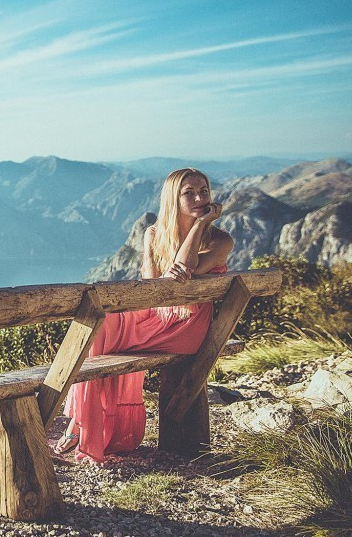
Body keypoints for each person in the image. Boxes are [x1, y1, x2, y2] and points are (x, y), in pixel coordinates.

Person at [53, 167, 233, 461]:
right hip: (156, 317)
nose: (200, 198)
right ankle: (82, 421)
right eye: (189, 193)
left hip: (186, 329)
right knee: (103, 324)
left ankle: (84, 425)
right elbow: (151, 291)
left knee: (104, 338)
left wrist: (200, 223)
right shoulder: (153, 235)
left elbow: (185, 269)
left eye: (204, 192)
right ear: (172, 198)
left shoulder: (220, 240)